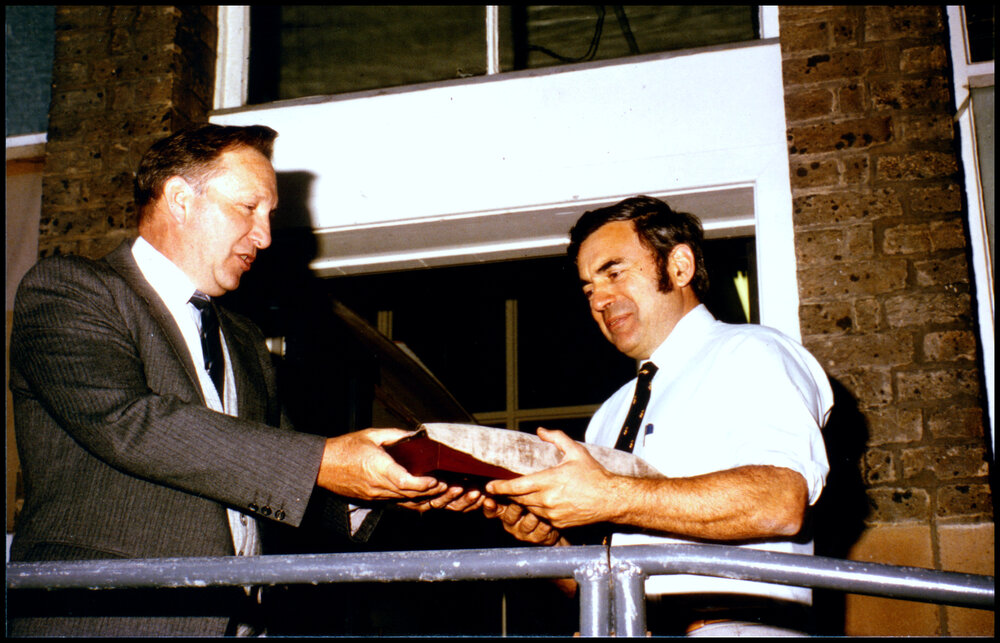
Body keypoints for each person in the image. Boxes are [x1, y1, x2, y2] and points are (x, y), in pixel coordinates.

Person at [7, 124, 475, 637]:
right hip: (104, 620)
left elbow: (276, 473)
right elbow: (126, 422)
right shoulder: (70, 290)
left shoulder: (244, 339)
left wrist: (385, 486)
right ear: (180, 199)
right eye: (249, 208)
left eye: (269, 216)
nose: (265, 237)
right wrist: (325, 461)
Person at [484, 195, 832, 636]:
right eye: (589, 289)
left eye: (614, 273)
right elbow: (597, 588)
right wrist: (550, 545)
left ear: (679, 267)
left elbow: (780, 502)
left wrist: (609, 495)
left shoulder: (753, 352)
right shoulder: (611, 413)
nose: (599, 299)